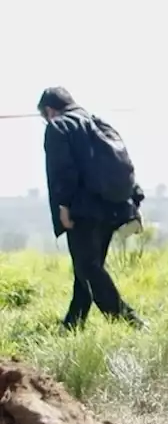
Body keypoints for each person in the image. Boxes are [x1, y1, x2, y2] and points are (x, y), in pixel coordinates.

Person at [37, 87, 145, 330]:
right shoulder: (99, 123)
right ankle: (73, 324)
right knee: (87, 268)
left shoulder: (58, 126)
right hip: (113, 208)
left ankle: (127, 320)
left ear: (49, 110)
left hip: (83, 210)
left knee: (88, 268)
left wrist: (63, 207)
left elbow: (61, 171)